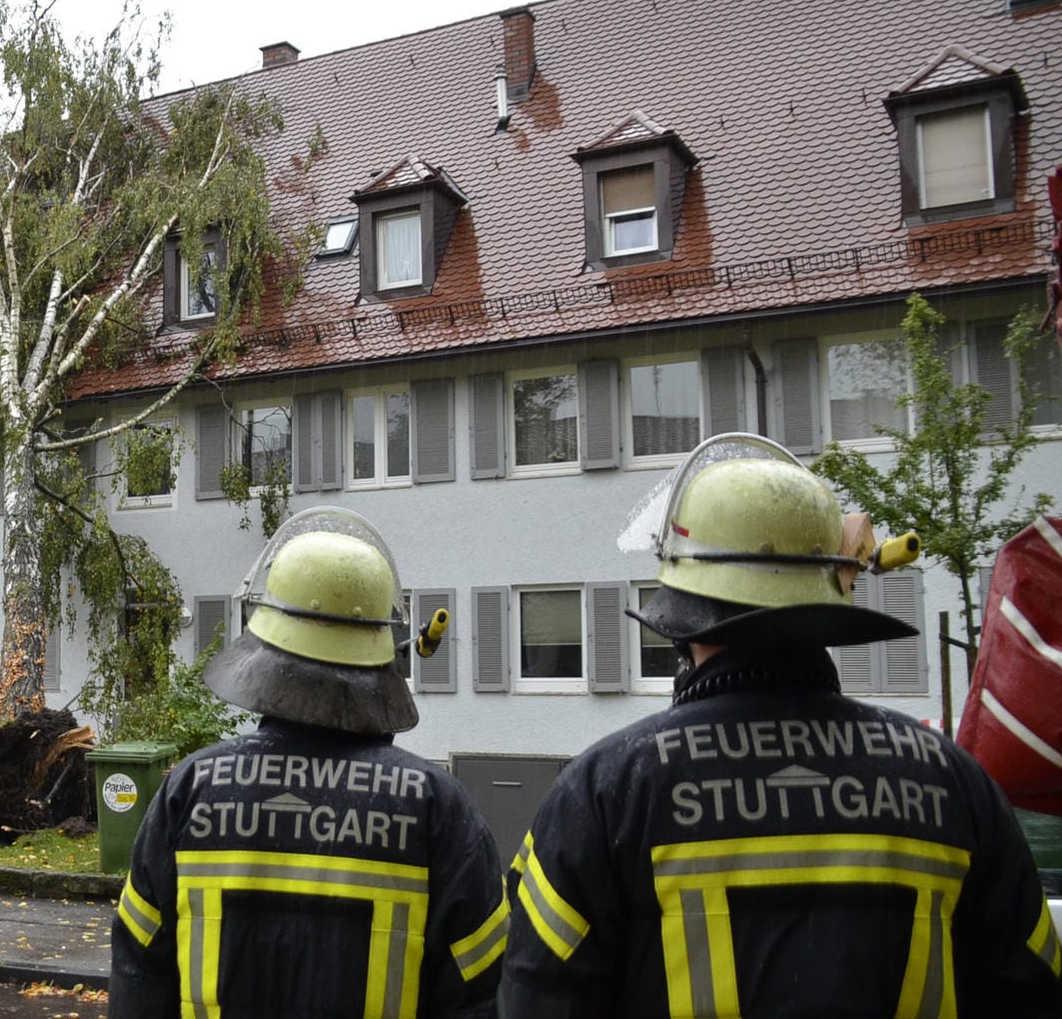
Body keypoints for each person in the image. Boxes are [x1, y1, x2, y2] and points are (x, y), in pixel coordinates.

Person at [498, 433, 1062, 1017]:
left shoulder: (606, 791)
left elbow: (536, 995)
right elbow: (1032, 991)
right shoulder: (956, 785)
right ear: (834, 593)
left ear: (684, 621)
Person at [110, 507, 508, 1017]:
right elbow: (481, 991)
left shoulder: (192, 789)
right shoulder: (436, 806)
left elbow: (139, 972)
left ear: (265, 650)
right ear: (382, 652)